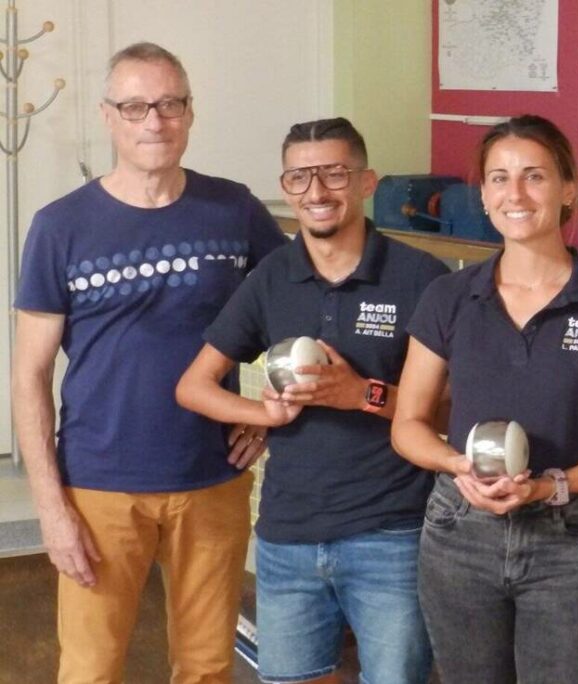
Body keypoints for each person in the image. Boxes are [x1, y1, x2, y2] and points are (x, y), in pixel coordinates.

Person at [11, 42, 285, 683]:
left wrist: (267, 412)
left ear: (190, 112)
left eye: (168, 104)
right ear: (109, 117)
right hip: (99, 485)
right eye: (135, 107)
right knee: (92, 669)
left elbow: (296, 312)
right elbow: (28, 376)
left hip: (214, 479)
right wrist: (51, 509)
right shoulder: (61, 226)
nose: (153, 122)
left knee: (208, 666)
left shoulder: (235, 210)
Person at [390, 114, 578, 684]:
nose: (514, 194)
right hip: (459, 531)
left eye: (534, 176)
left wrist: (553, 486)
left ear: (568, 189)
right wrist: (457, 466)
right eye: (498, 178)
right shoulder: (449, 296)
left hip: (567, 539)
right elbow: (409, 424)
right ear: (484, 194)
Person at [175, 117, 446, 684]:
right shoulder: (272, 277)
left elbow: (451, 410)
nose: (316, 193)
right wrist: (262, 414)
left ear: (367, 182)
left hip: (392, 535)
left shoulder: (421, 278)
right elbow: (193, 386)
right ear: (285, 186)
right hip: (287, 538)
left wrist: (360, 394)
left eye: (333, 174)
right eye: (300, 178)